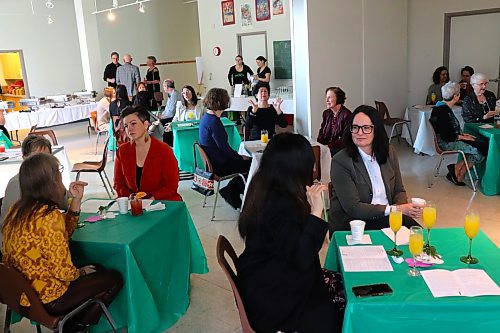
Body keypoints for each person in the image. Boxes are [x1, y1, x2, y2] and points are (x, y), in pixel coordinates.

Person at [2, 153, 123, 333]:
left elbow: (61, 234)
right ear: (51, 181)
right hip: (50, 298)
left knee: (96, 268)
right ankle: (74, 326)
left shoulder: (16, 211)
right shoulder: (48, 217)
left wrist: (75, 200)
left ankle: (73, 324)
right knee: (114, 277)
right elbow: (64, 272)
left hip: (22, 295)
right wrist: (81, 272)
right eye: (59, 173)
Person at [237, 133, 343, 333]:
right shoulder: (280, 204)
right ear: (295, 168)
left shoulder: (263, 183)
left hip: (266, 274)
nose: (312, 171)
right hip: (276, 296)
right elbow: (303, 256)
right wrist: (316, 212)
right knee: (344, 298)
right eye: (309, 166)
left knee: (340, 282)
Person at [329, 105, 421, 233]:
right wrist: (396, 210)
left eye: (366, 128)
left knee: (418, 235)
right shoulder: (341, 161)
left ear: (376, 130)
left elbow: (399, 190)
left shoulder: (389, 152)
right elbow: (353, 208)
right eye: (355, 127)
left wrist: (400, 208)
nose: (359, 133)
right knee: (411, 231)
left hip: (387, 216)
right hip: (354, 223)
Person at [0, 135, 67, 258]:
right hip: (19, 252)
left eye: (47, 156)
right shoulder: (17, 184)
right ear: (24, 158)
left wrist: (66, 193)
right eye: (36, 157)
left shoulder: (48, 178)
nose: (43, 162)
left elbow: (64, 206)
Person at [114, 105, 182, 201]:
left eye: (133, 124)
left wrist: (153, 198)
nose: (129, 129)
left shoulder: (164, 150)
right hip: (132, 204)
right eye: (126, 126)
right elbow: (118, 184)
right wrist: (130, 198)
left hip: (162, 202)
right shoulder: (122, 151)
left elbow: (171, 186)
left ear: (146, 124)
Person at [199, 88, 251, 209]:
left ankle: (230, 190)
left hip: (213, 162)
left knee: (247, 161)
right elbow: (225, 149)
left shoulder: (206, 118)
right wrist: (240, 157)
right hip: (220, 165)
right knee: (254, 164)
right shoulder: (214, 122)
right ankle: (231, 191)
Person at [430, 82, 487, 186]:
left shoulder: (440, 107)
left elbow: (450, 130)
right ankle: (459, 172)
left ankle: (456, 169)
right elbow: (447, 135)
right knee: (481, 149)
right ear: (456, 97)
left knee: (480, 144)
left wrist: (464, 135)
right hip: (446, 143)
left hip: (449, 139)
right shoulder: (443, 111)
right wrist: (463, 137)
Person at [317, 87, 352, 156]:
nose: (327, 100)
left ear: (338, 98)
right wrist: (319, 145)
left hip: (340, 149)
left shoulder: (347, 114)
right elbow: (321, 132)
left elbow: (345, 139)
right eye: (326, 97)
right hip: (327, 148)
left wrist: (328, 147)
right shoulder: (326, 113)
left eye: (329, 97)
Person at [160, 79, 181, 146]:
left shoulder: (174, 95)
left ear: (166, 86)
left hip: (173, 118)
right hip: (169, 116)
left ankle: (167, 145)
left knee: (161, 124)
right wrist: (161, 114)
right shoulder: (171, 94)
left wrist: (162, 117)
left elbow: (171, 112)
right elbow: (167, 109)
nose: (163, 88)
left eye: (164, 86)